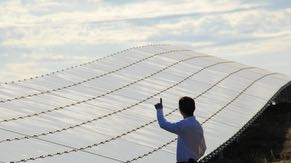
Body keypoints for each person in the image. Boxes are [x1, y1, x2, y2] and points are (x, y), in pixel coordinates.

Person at [154, 97, 206, 163]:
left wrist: (159, 109)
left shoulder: (183, 125)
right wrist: (194, 158)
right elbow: (203, 148)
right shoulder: (198, 126)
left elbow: (163, 124)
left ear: (180, 110)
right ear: (194, 108)